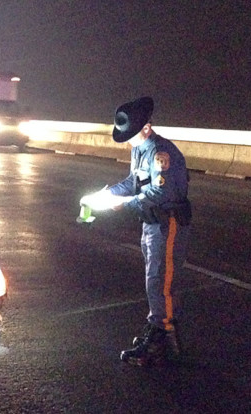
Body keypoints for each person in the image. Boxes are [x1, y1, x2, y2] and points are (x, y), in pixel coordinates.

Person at [104, 96, 192, 366]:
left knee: (159, 279)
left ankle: (162, 336)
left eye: (131, 135)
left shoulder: (160, 153)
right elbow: (134, 180)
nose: (128, 141)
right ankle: (160, 329)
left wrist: (124, 204)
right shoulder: (140, 149)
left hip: (167, 222)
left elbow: (161, 191)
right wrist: (108, 193)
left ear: (145, 127)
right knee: (153, 278)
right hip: (151, 223)